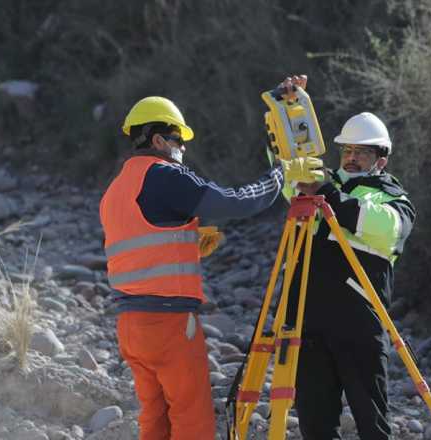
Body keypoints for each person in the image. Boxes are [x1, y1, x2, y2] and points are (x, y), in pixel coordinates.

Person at [99, 96, 320, 439]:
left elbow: (142, 244)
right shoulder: (164, 175)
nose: (184, 150)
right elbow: (234, 202)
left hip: (131, 325)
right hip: (170, 324)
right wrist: (282, 173)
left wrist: (187, 240)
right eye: (179, 141)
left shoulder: (116, 188)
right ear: (158, 140)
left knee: (155, 421)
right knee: (192, 421)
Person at [281, 76, 416, 440]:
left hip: (358, 325)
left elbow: (379, 227)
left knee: (372, 425)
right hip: (308, 325)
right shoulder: (322, 183)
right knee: (315, 425)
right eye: (347, 151)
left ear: (381, 160)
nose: (352, 158)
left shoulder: (394, 201)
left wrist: (325, 193)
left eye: (362, 153)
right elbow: (289, 171)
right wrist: (291, 112)